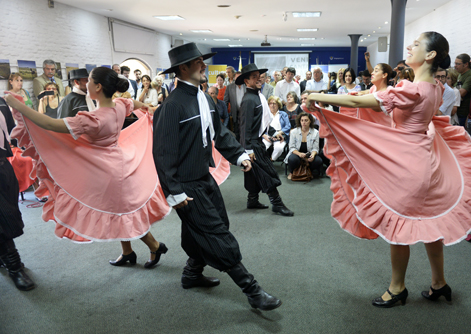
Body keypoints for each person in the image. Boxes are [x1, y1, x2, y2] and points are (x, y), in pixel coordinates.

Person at [305, 31, 471, 308]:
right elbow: (385, 105)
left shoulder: (412, 88)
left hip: (407, 164)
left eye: (416, 45)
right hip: (425, 160)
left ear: (429, 55)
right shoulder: (433, 87)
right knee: (430, 223)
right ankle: (439, 283)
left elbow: (358, 103)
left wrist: (316, 96)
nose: (408, 46)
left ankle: (397, 288)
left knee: (398, 227)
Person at [153, 43, 282, 311]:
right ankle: (252, 290)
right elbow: (162, 154)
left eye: (203, 61)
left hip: (204, 178)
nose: (204, 66)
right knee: (215, 232)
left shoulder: (205, 99)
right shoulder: (172, 106)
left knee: (206, 226)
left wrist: (239, 155)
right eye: (198, 62)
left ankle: (191, 273)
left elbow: (220, 133)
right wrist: (173, 192)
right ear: (183, 68)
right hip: (186, 187)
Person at [4, 67, 171, 269]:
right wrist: (146, 106)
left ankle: (154, 245)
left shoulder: (93, 119)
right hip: (117, 163)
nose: (86, 84)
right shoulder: (118, 105)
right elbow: (132, 103)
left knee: (122, 212)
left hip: (104, 169)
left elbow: (48, 124)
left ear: (98, 87)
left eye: (89, 81)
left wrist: (19, 107)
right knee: (119, 211)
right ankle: (128, 251)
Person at [237, 64, 294, 216]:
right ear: (246, 81)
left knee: (253, 173)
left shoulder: (258, 96)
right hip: (253, 145)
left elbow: (263, 121)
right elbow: (244, 127)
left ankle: (252, 200)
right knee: (267, 173)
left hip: (257, 142)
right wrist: (247, 150)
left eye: (259, 76)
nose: (259, 79)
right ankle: (276, 203)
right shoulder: (249, 99)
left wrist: (274, 132)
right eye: (254, 77)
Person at [0, 96, 36, 291]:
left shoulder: (2, 103)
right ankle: (14, 267)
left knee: (9, 215)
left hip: (3, 167)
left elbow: (13, 133)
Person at [284, 112, 322, 179]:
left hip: (309, 154)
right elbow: (292, 147)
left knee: (318, 160)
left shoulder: (316, 132)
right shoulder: (293, 132)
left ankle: (310, 171)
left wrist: (313, 155)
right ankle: (292, 172)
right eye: (302, 120)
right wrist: (299, 154)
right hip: (297, 153)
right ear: (300, 121)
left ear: (310, 121)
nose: (303, 122)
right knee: (292, 159)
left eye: (306, 120)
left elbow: (316, 148)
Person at [263, 96, 290, 161]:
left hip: (280, 135)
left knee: (279, 148)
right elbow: (261, 127)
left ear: (278, 105)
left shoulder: (283, 114)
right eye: (270, 103)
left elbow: (287, 126)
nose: (272, 105)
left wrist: (279, 133)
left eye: (274, 103)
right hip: (267, 135)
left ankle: (271, 160)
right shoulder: (265, 114)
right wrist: (264, 136)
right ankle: (263, 162)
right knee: (262, 147)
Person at [454, 54, 471, 126]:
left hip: (463, 112)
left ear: (466, 64)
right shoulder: (460, 74)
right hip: (457, 110)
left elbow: (461, 93)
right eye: (455, 63)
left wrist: (450, 94)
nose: (455, 66)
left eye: (458, 64)